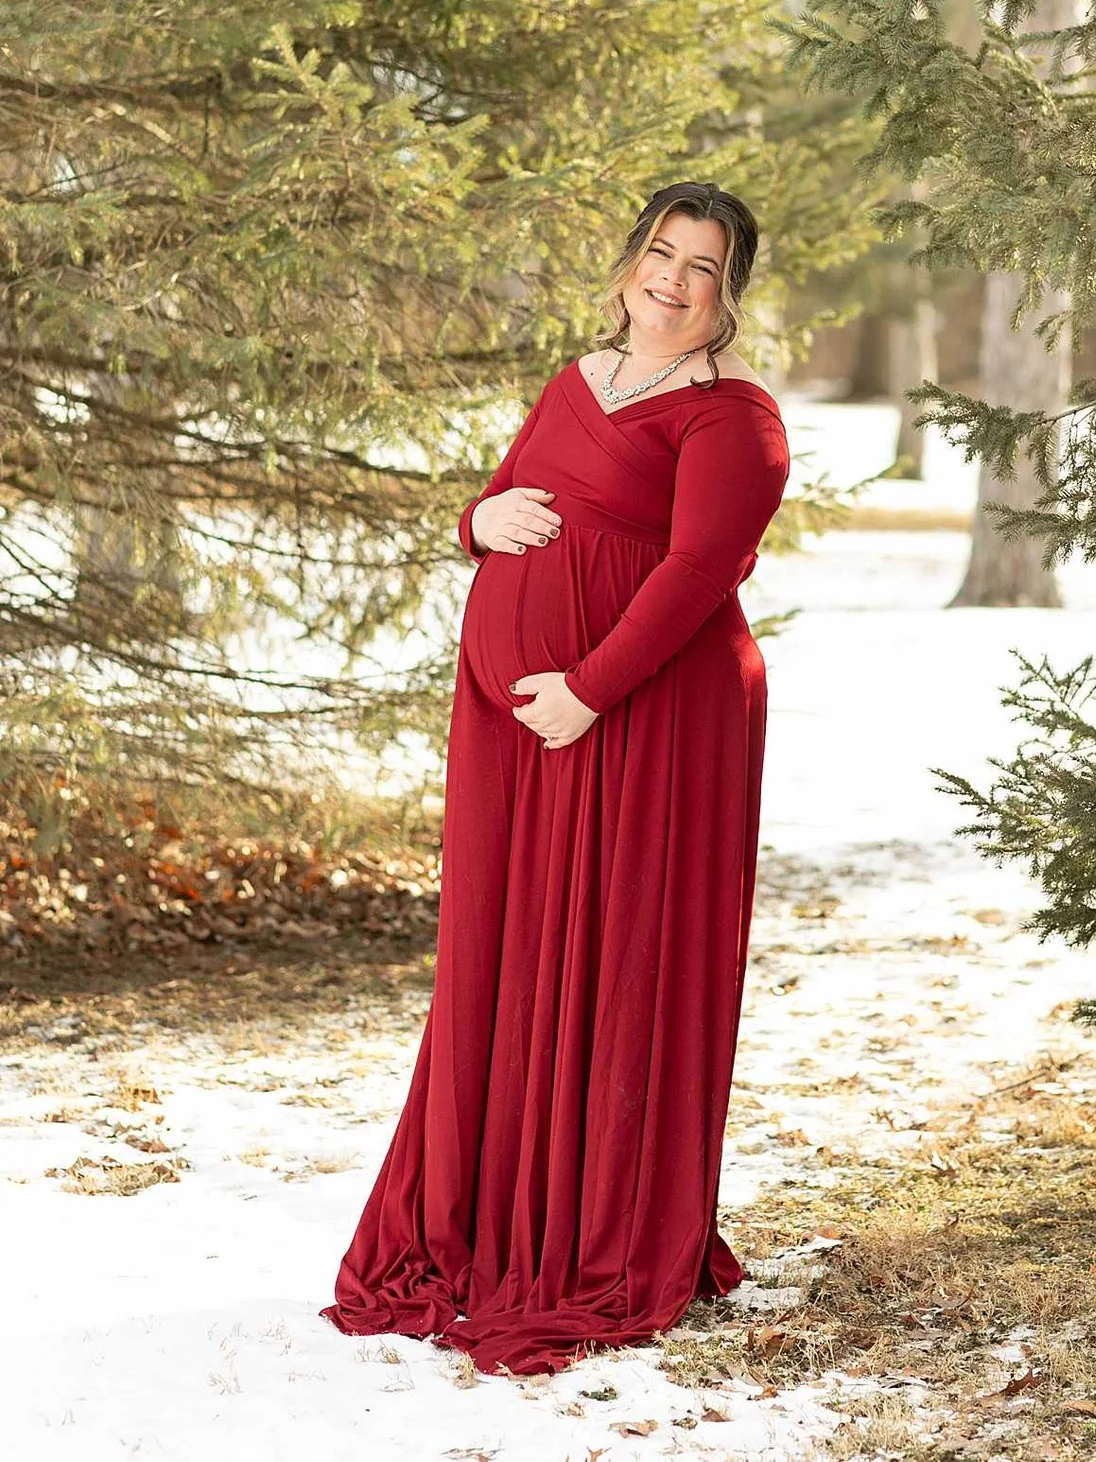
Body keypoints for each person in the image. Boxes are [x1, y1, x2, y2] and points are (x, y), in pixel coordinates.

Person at [322, 183, 792, 1375]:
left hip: (646, 723)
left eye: (701, 266)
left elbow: (699, 573)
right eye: (660, 253)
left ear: (729, 292)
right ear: (632, 259)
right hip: (522, 733)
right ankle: (487, 1217)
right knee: (509, 953)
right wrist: (478, 526)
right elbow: (500, 499)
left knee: (616, 957)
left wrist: (589, 689)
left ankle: (593, 1233)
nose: (671, 280)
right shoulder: (577, 381)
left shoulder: (733, 418)